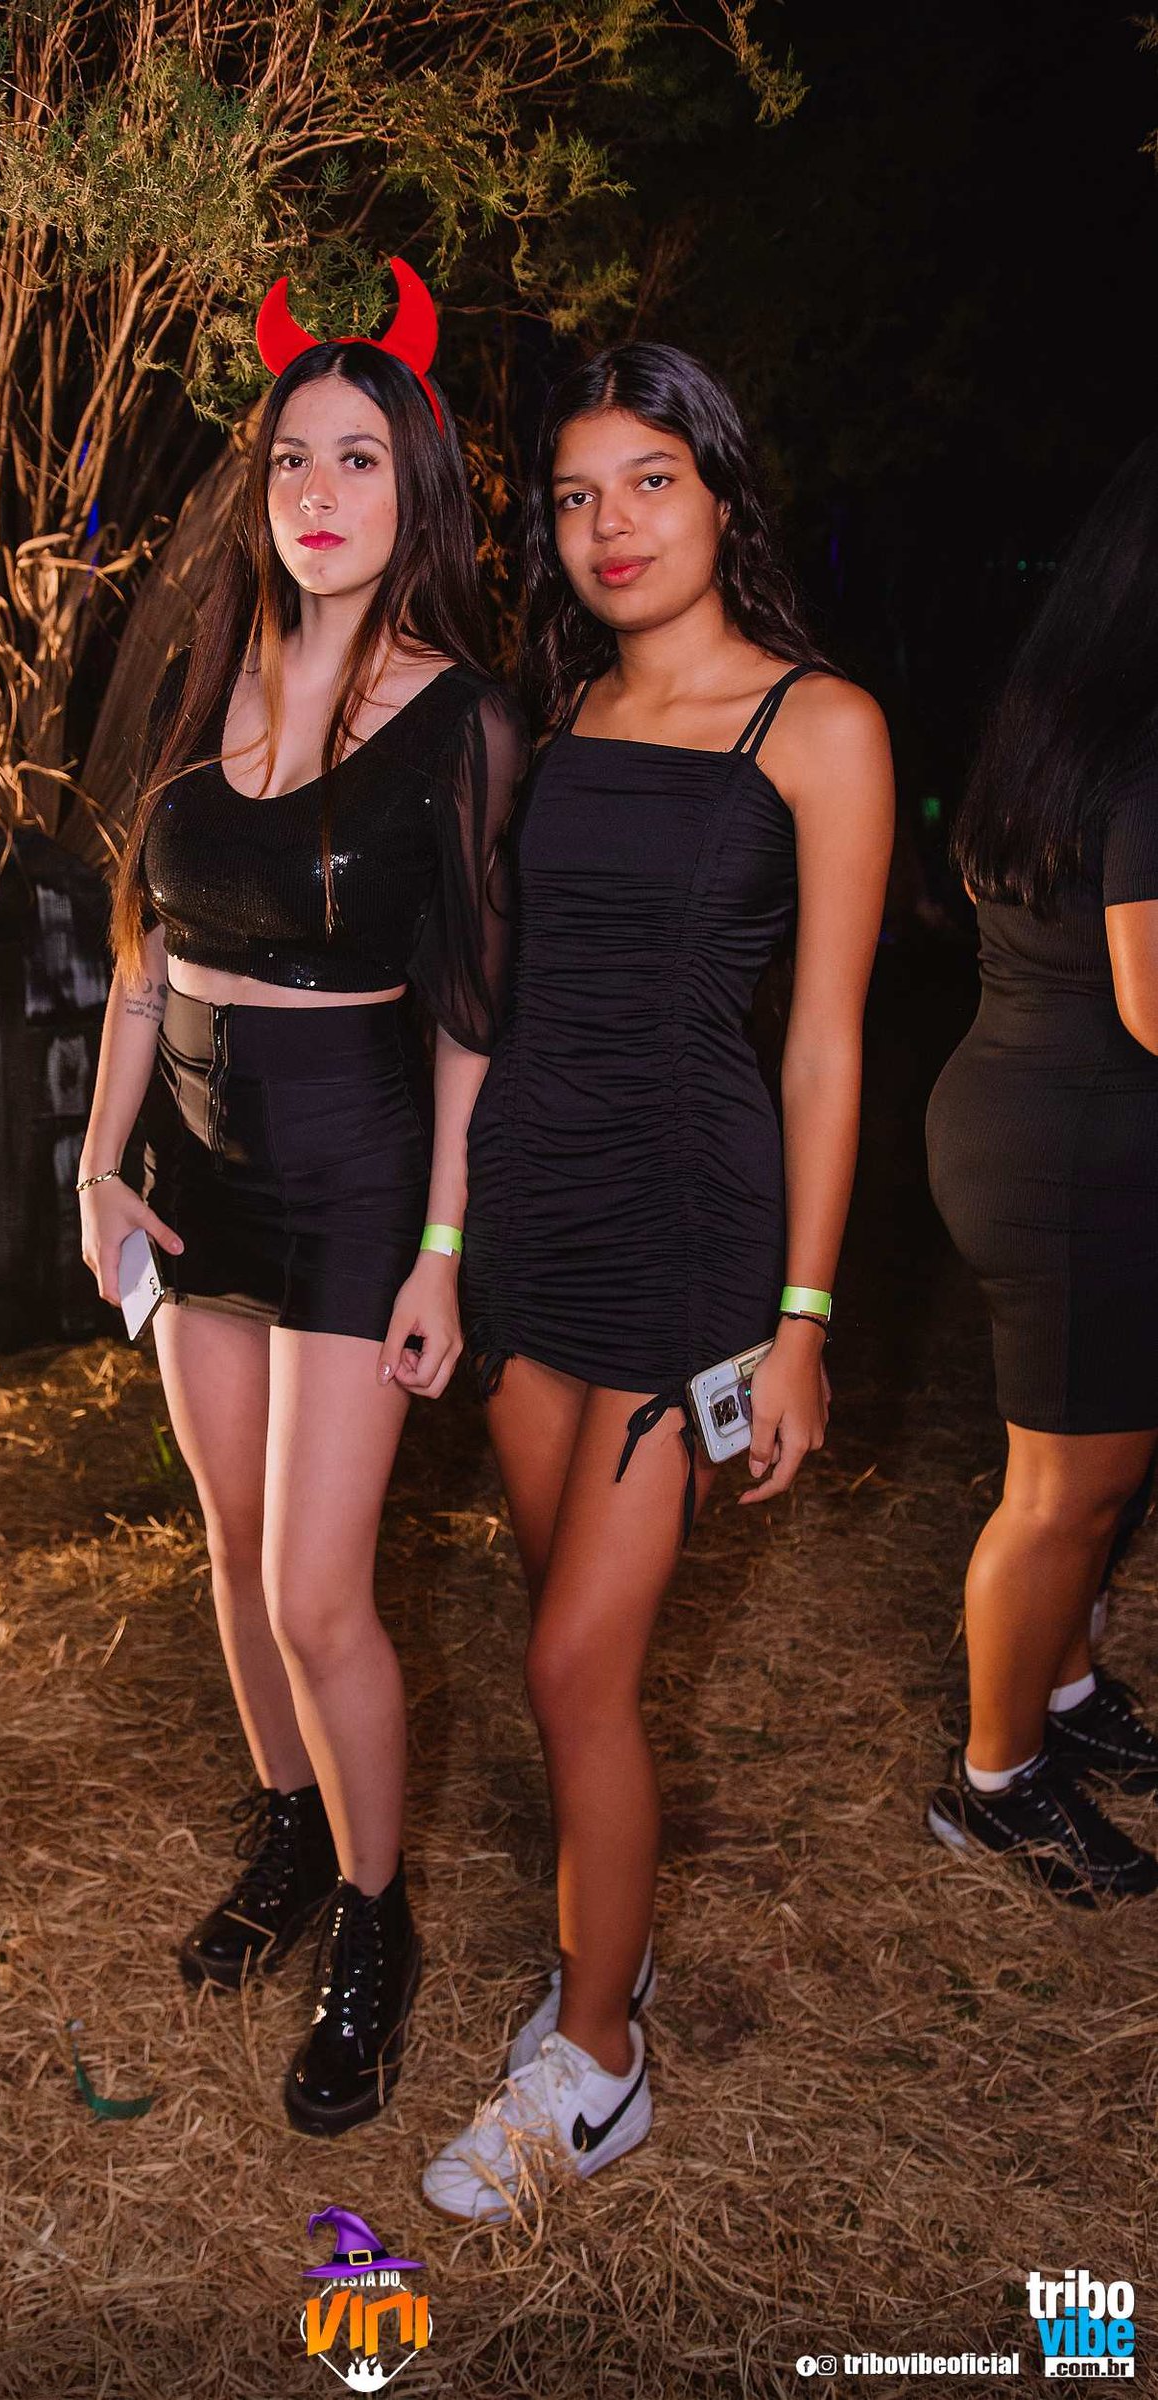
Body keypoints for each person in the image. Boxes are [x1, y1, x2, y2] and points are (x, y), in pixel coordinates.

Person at [420, 341, 894, 2223]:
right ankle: (588, 1961)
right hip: (533, 1206)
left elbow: (827, 1048)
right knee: (572, 1658)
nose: (609, 526)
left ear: (720, 492)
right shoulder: (562, 710)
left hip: (691, 1224)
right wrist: (452, 1234)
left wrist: (803, 1322)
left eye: (650, 483)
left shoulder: (819, 724)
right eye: (574, 496)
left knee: (570, 1664)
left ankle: (598, 2060)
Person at [78, 260, 525, 2136]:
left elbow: (474, 1013)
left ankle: (371, 1917)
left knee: (313, 1587)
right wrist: (99, 1159)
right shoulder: (210, 675)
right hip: (191, 1172)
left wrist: (442, 1250)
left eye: (357, 459)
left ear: (416, 488)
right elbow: (143, 947)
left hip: (353, 1177)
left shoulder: (460, 719)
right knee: (227, 1538)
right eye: (289, 460)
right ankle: (285, 1830)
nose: (317, 494)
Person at [925, 433, 1158, 1905]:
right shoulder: (1148, 741)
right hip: (1076, 1151)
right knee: (1069, 1490)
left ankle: (1063, 1696)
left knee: (1078, 1472)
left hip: (1020, 1114)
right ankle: (995, 1787)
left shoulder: (1059, 707)